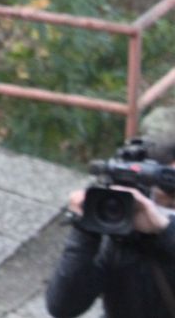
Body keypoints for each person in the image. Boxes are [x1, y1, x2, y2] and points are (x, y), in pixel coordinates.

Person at [46, 136, 175, 318]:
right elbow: (62, 307)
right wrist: (85, 231)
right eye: (167, 184)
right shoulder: (125, 233)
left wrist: (165, 229)